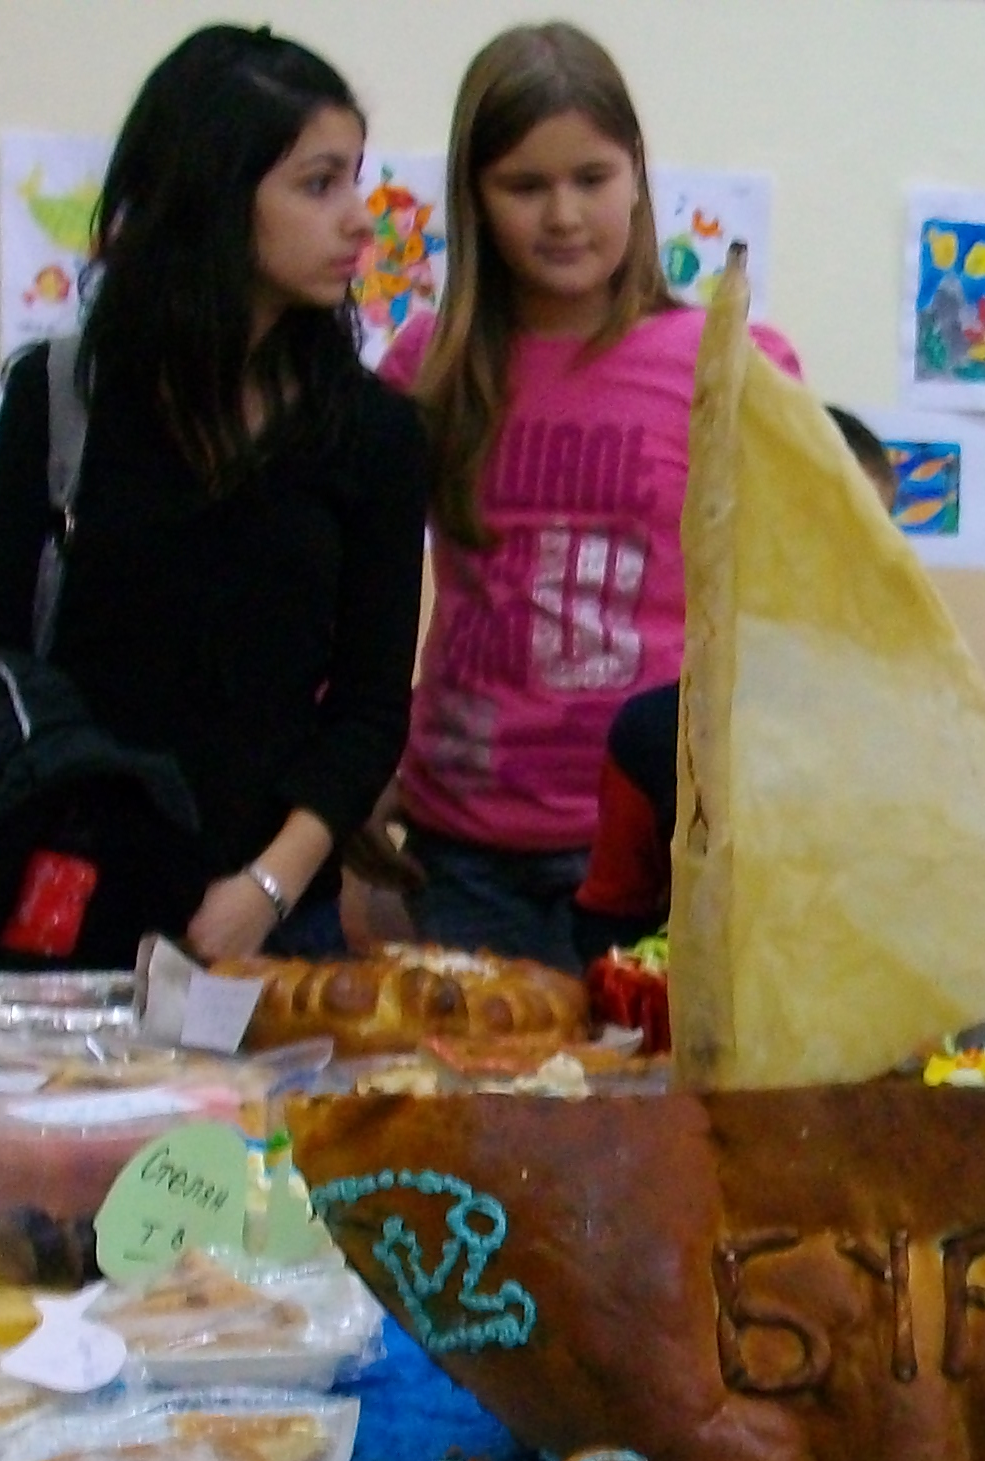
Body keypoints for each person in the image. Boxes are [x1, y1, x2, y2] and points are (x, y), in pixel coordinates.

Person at [0, 25, 423, 963]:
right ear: (213, 190)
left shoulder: (376, 433)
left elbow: (369, 713)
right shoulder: (59, 400)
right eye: (318, 183)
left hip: (271, 926)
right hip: (63, 911)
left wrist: (266, 888)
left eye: (355, 179)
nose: (361, 220)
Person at [383, 22, 798, 968]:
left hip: (659, 846)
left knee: (647, 1116)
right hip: (462, 844)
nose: (563, 215)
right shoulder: (427, 367)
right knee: (483, 1107)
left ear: (640, 176)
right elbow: (342, 589)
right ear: (475, 198)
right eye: (525, 186)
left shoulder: (732, 366)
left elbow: (801, 605)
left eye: (593, 179)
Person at [570, 404, 895, 965]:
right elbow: (609, 934)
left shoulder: (911, 733)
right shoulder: (657, 736)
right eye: (810, 539)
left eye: (869, 542)